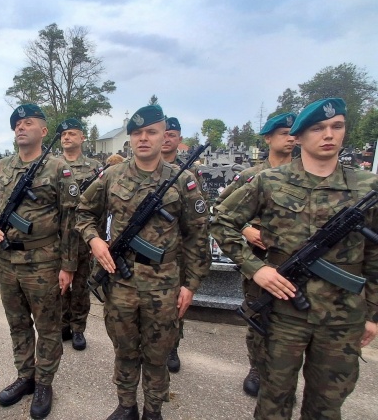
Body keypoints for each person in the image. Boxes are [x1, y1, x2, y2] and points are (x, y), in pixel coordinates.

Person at [211, 98, 378, 420]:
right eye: (318, 128)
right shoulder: (270, 181)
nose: (328, 134)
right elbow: (222, 221)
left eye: (337, 126)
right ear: (298, 137)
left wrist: (372, 313)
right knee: (273, 400)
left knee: (327, 405)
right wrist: (256, 269)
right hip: (283, 312)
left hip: (343, 316)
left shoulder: (367, 187)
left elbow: (374, 255)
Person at [76, 105, 210, 420]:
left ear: (164, 136)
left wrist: (191, 285)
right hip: (120, 283)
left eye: (151, 132)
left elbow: (197, 236)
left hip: (164, 286)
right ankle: (127, 406)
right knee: (124, 349)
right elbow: (83, 212)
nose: (144, 138)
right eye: (137, 133)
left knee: (157, 355)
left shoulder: (183, 180)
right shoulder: (111, 176)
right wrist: (94, 240)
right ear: (130, 138)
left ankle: (153, 410)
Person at [0, 104, 79, 419]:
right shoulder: (1, 167)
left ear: (43, 131)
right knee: (17, 323)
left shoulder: (58, 169)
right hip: (8, 260)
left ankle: (44, 383)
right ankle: (25, 376)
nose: (20, 127)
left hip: (44, 262)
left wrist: (68, 266)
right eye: (17, 124)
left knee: (47, 327)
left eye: (28, 123)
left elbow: (71, 221)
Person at [214, 112, 297, 397]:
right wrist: (246, 229)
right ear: (268, 138)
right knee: (258, 313)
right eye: (284, 133)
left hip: (296, 260)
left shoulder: (304, 174)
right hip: (259, 259)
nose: (290, 138)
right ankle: (257, 367)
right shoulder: (252, 176)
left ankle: (284, 376)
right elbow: (221, 208)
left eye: (293, 133)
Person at [159, 116, 207, 373]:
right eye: (164, 133)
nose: (166, 138)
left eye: (172, 134)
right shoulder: (144, 167)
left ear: (179, 139)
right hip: (148, 248)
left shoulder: (190, 172)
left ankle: (172, 345)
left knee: (175, 303)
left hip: (176, 251)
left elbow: (197, 217)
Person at [58, 118, 102, 351]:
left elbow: (101, 205)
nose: (67, 137)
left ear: (82, 138)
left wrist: (98, 238)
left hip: (84, 235)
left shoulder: (95, 168)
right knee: (60, 283)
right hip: (59, 236)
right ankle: (63, 324)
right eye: (64, 135)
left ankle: (78, 328)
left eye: (72, 134)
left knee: (81, 286)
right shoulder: (52, 165)